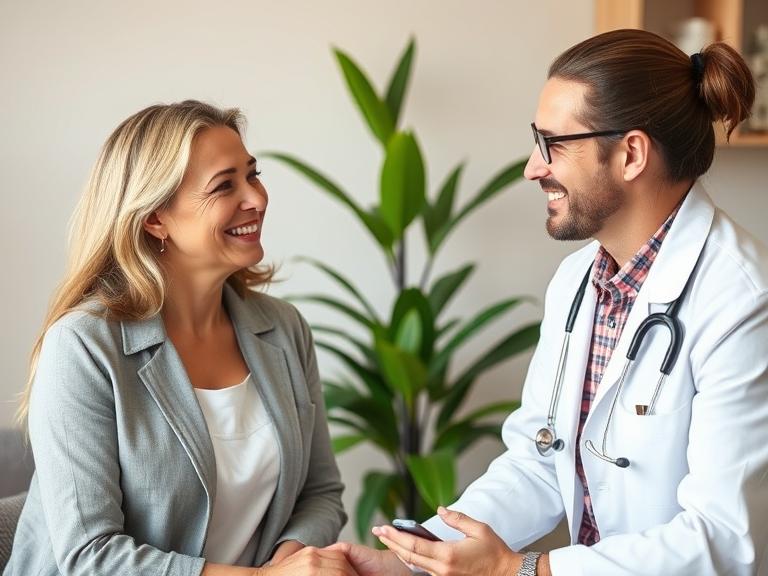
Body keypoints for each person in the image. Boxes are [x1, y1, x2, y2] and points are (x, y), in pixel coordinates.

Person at [331, 28, 768, 576]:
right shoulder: (578, 279)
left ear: (631, 153)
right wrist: (415, 559)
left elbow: (723, 540)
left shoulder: (743, 300)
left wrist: (521, 570)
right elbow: (539, 464)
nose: (532, 168)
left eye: (553, 145)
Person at [5, 100, 358, 576]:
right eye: (224, 186)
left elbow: (320, 493)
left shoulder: (283, 328)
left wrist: (291, 561)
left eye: (252, 175)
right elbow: (90, 557)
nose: (256, 198)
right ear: (155, 218)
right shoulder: (83, 346)